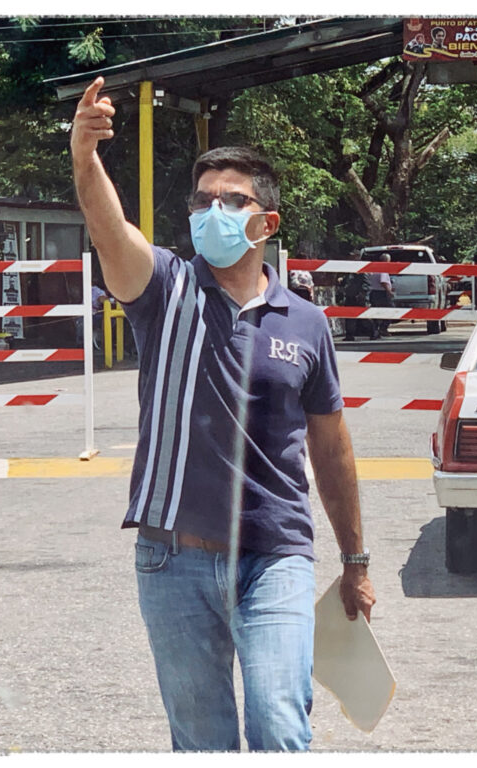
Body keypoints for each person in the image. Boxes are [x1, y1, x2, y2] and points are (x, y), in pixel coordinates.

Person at [70, 77, 374, 752]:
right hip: (171, 558)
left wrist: (355, 560)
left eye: (232, 201)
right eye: (203, 201)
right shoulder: (164, 289)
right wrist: (85, 157)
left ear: (268, 223)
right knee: (200, 742)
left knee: (278, 724)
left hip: (276, 559)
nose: (213, 211)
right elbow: (108, 229)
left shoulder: (306, 323)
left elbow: (331, 448)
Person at [367, 252, 395, 340]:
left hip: (373, 292)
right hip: (382, 293)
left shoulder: (375, 268)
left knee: (376, 312)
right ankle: (383, 328)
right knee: (391, 310)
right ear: (386, 261)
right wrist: (389, 291)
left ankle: (375, 331)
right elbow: (383, 282)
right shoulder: (383, 269)